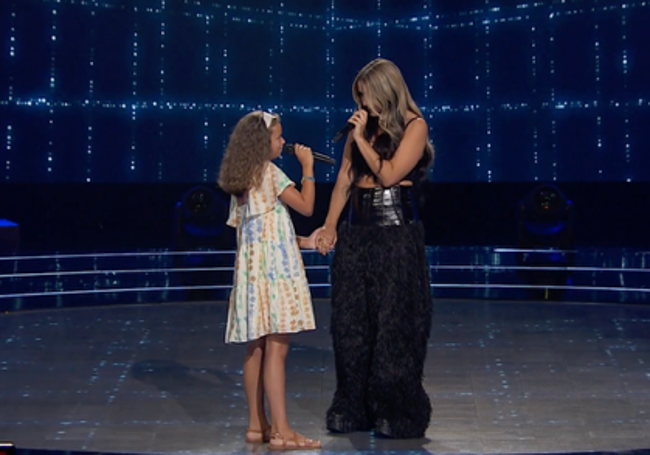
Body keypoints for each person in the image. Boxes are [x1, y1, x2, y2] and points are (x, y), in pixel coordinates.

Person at [315, 58, 435, 439]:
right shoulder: (360, 134)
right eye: (359, 98)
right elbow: (343, 182)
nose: (362, 105)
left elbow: (388, 174)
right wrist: (330, 226)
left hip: (396, 235)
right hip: (358, 232)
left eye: (366, 97)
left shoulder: (416, 127)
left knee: (394, 324)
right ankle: (354, 403)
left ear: (385, 92)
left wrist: (363, 140)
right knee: (352, 324)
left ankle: (399, 408)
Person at [218, 110, 322, 450]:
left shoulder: (243, 180)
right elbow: (306, 207)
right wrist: (307, 168)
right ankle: (282, 431)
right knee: (277, 349)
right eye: (279, 137)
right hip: (274, 275)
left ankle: (255, 424)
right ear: (263, 143)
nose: (283, 142)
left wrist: (306, 242)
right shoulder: (272, 173)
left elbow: (266, 233)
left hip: (253, 274)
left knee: (257, 348)